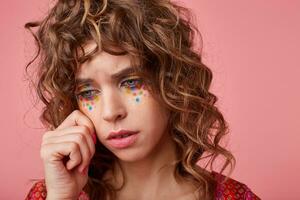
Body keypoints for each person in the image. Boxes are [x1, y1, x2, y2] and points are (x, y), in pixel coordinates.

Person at [24, 0, 260, 199]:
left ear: (173, 83)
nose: (110, 112)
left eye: (131, 83)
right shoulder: (53, 194)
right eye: (87, 92)